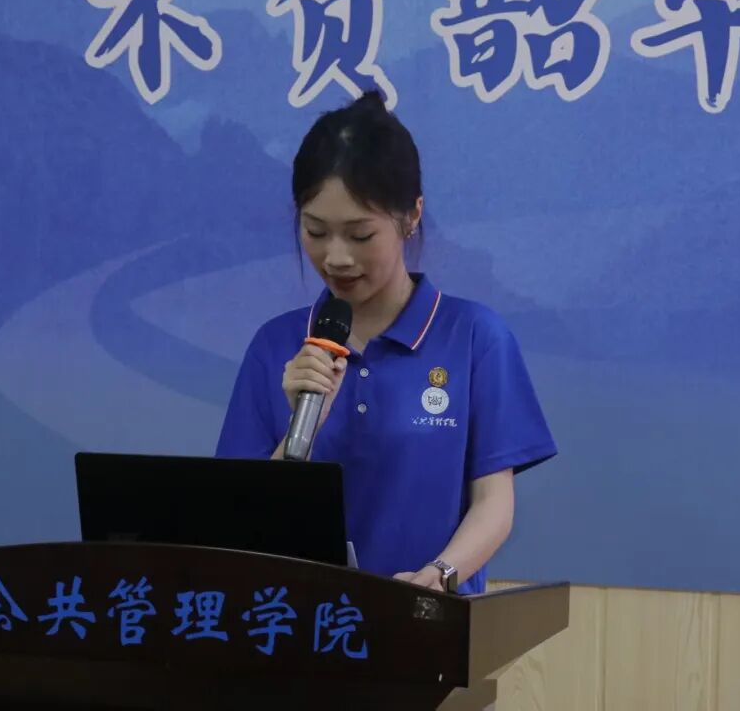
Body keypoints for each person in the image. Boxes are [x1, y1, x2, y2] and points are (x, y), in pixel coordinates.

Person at [215, 90, 556, 595]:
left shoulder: (475, 337)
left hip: (428, 621)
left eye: (360, 235)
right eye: (315, 231)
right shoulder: (275, 346)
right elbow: (242, 522)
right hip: (298, 623)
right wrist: (297, 434)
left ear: (411, 216)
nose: (336, 257)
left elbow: (494, 504)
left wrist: (439, 577)